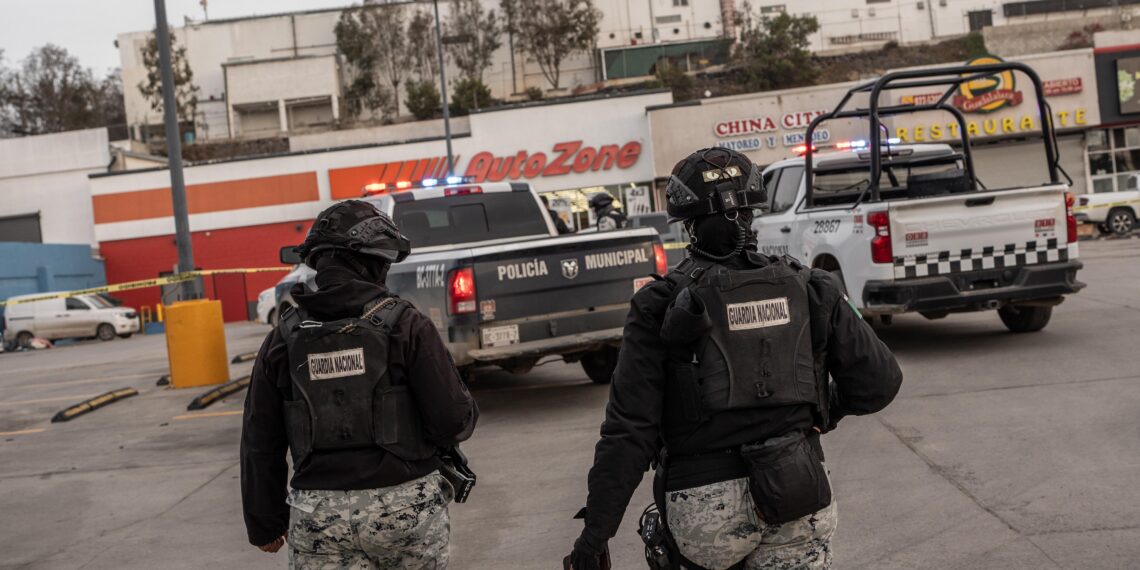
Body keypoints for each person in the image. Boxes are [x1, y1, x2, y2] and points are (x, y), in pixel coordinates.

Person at [566, 148, 903, 570]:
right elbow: (879, 382)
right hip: (799, 491)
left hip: (705, 514)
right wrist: (820, 413)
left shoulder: (658, 303)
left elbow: (629, 430)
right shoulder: (813, 286)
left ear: (687, 223)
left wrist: (595, 535)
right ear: (752, 212)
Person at [241, 200, 478, 569]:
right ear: (371, 262)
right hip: (405, 511)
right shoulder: (406, 324)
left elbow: (260, 438)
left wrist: (264, 523)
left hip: (317, 516)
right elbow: (454, 420)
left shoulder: (283, 337)